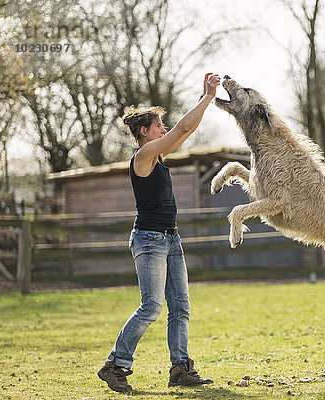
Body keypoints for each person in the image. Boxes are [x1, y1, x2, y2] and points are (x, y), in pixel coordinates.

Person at [97, 73, 221, 394]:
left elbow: (186, 129)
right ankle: (115, 365)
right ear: (144, 132)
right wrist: (207, 97)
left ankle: (180, 368)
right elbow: (181, 129)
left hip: (170, 238)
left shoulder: (158, 156)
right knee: (151, 307)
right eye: (157, 127)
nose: (163, 131)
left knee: (179, 306)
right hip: (149, 240)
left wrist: (203, 99)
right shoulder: (143, 157)